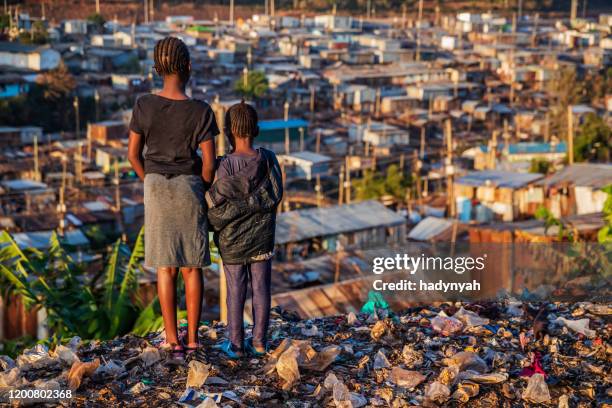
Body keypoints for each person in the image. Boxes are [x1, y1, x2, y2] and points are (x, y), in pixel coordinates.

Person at [127, 37, 218, 358]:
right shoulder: (201, 111)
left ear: (157, 69)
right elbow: (209, 162)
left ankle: (171, 339)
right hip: (189, 187)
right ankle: (192, 339)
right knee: (193, 268)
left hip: (155, 188)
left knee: (165, 269)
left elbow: (133, 155)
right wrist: (200, 187)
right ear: (188, 68)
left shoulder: (144, 105)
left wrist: (150, 182)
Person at [206, 101, 283, 358]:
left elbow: (220, 203)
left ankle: (236, 345)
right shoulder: (269, 159)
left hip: (232, 241)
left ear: (228, 131)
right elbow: (275, 195)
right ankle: (260, 342)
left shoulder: (225, 165)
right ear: (257, 129)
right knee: (261, 289)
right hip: (262, 237)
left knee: (235, 291)